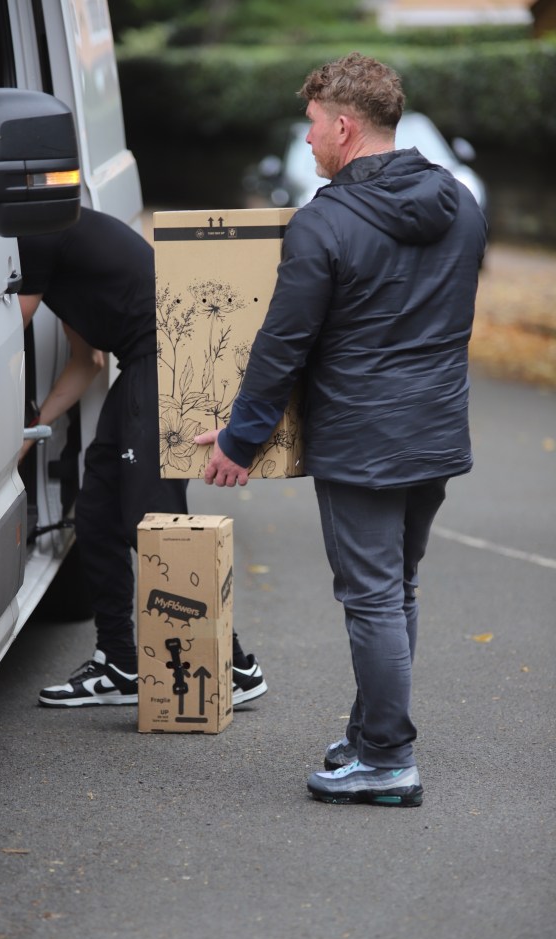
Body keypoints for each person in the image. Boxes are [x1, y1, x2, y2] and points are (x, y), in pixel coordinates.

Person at [196, 52, 487, 806]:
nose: (309, 140)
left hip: (363, 440)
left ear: (346, 126)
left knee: (373, 596)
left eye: (314, 125)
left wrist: (237, 441)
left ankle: (388, 759)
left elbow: (281, 347)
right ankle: (370, 734)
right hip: (435, 432)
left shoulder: (324, 223)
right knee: (397, 587)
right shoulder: (462, 203)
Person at [17, 207, 267, 709]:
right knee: (94, 516)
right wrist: (31, 431)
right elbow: (88, 361)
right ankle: (120, 664)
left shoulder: (36, 229)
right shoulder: (57, 245)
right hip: (141, 365)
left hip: (166, 361)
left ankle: (233, 664)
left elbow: (9, 324)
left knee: (152, 521)